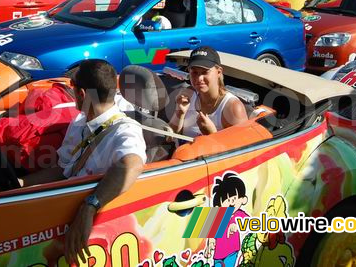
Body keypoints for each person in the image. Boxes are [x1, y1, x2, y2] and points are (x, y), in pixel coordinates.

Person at [24, 59, 146, 265]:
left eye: (73, 89)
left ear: (81, 94)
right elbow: (62, 170)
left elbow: (131, 164)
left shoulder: (125, 130)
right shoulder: (79, 122)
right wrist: (20, 185)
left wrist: (89, 207)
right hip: (60, 212)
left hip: (91, 227)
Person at [170, 47, 248, 137]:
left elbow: (244, 148)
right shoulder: (188, 94)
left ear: (219, 72)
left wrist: (212, 134)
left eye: (205, 72)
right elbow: (169, 138)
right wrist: (180, 113)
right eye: (194, 72)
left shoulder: (232, 107)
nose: (199, 78)